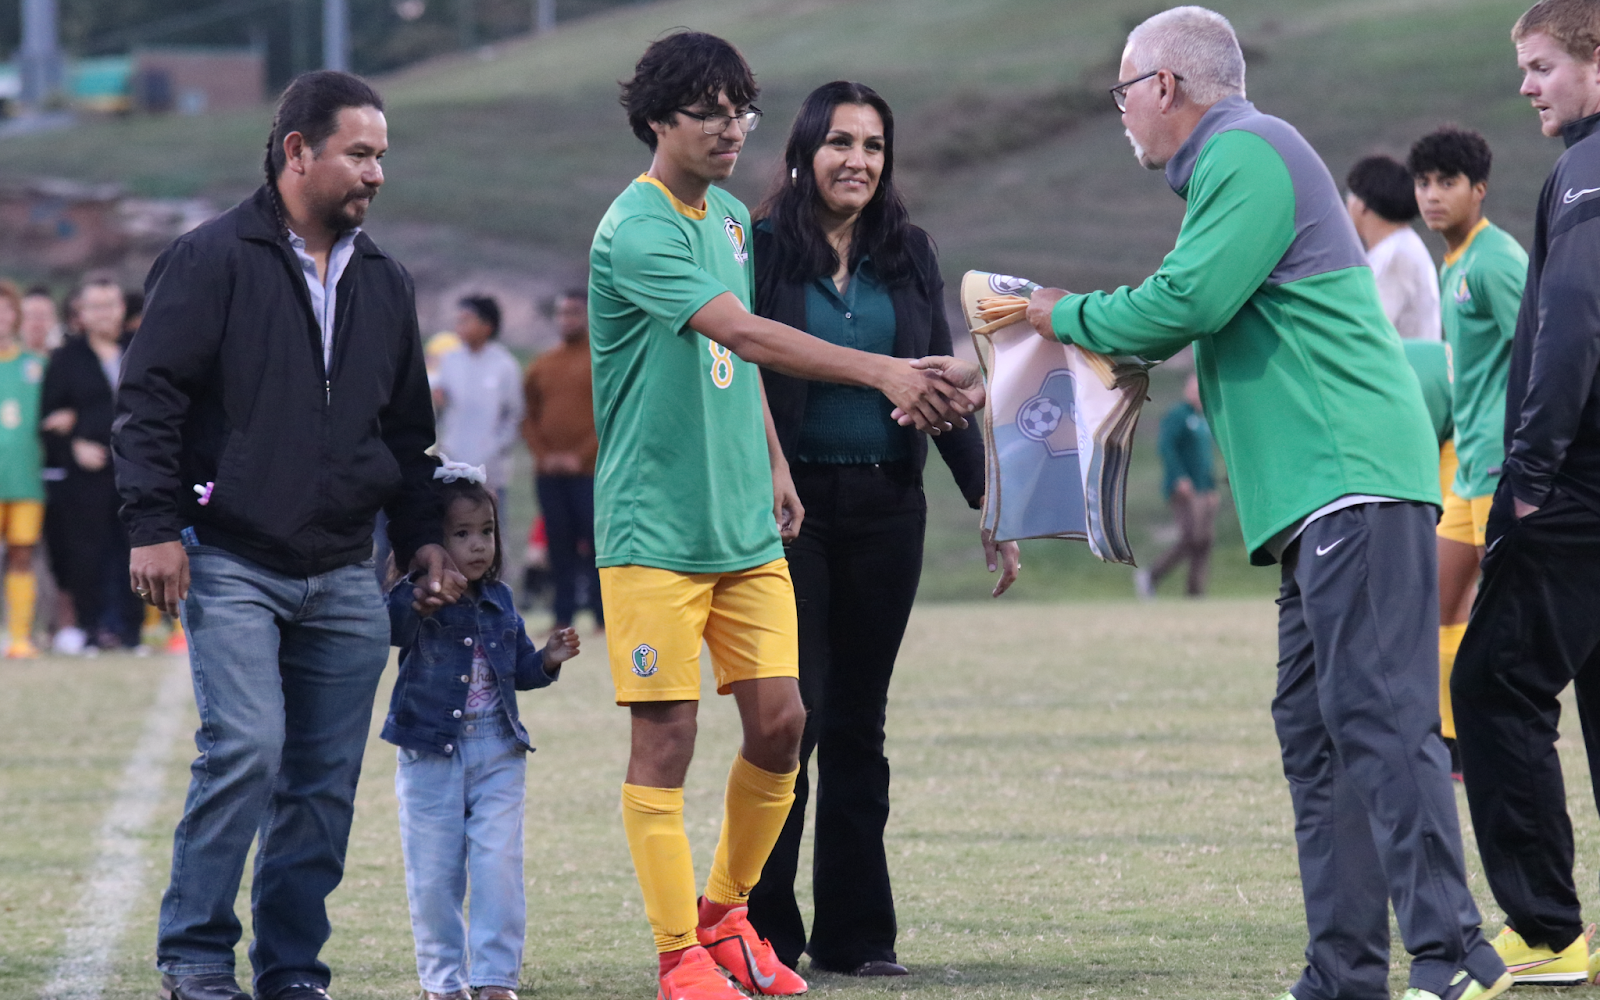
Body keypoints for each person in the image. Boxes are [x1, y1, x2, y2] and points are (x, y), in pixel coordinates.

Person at [1025, 9, 1509, 1000]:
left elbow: (1184, 303)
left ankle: (1457, 954)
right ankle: (1342, 973)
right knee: (1316, 731)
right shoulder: (1233, 166)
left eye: (1124, 91)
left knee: (1378, 716)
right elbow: (1200, 308)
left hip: (1350, 479)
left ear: (1166, 86)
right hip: (1315, 501)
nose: (1122, 113)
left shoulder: (1245, 149)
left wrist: (1057, 314)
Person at [591, 31, 980, 1000]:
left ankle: (726, 918)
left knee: (782, 723)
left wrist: (772, 463)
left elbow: (737, 364)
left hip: (746, 526)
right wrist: (882, 371)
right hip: (656, 530)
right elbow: (742, 330)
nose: (731, 130)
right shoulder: (636, 228)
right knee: (667, 740)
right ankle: (678, 953)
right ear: (657, 120)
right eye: (709, 113)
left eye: (741, 112)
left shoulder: (728, 218)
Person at [115, 70, 462, 1000]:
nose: (376, 172)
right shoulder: (208, 259)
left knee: (323, 783)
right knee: (246, 748)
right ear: (297, 151)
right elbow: (149, 401)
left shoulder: (384, 280)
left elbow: (406, 434)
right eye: (360, 153)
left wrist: (421, 536)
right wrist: (154, 526)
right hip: (229, 555)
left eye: (382, 155)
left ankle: (292, 970)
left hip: (347, 569)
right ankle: (195, 956)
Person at [741, 79, 1015, 979]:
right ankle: (764, 931)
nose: (857, 160)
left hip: (888, 510)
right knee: (796, 717)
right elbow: (738, 369)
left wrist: (990, 501)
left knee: (861, 722)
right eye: (840, 142)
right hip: (789, 513)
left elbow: (935, 384)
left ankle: (858, 935)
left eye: (872, 145)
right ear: (804, 151)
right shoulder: (759, 247)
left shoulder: (909, 249)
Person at [1452, 0, 1600, 986]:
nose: (1525, 84)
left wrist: (1531, 475)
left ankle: (1547, 931)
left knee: (1491, 686)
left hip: (1574, 489)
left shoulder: (1586, 171)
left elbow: (1574, 318)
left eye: (1543, 65)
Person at [384, 464, 580, 1000]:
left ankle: (494, 979)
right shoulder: (415, 596)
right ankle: (443, 983)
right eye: (461, 533)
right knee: (434, 876)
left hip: (499, 750)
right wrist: (420, 591)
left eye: (487, 532)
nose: (477, 545)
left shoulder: (501, 600)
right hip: (430, 753)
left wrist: (548, 658)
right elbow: (391, 627)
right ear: (433, 541)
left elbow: (519, 671)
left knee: (498, 868)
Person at [1408, 126, 1527, 784]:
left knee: (1504, 621)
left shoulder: (1493, 261)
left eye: (1447, 183)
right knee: (1439, 598)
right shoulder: (1453, 263)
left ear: (1479, 189)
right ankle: (1453, 743)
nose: (1433, 195)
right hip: (1467, 462)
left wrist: (1531, 452)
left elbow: (1543, 349)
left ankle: (1504, 744)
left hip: (1501, 466)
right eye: (1424, 183)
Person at [40, 275, 141, 654]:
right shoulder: (66, 358)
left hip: (134, 470)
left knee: (134, 549)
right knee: (88, 553)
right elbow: (48, 420)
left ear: (121, 308)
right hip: (87, 475)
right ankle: (92, 628)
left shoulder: (139, 348)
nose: (104, 314)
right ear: (80, 312)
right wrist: (74, 445)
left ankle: (130, 632)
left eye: (110, 305)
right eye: (95, 306)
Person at [520, 289, 603, 630]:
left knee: (598, 545)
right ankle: (562, 616)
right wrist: (544, 456)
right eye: (561, 313)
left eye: (574, 312)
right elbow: (527, 416)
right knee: (558, 545)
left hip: (590, 473)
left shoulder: (602, 360)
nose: (566, 320)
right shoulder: (542, 364)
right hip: (549, 473)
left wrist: (580, 457)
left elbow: (612, 415)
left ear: (588, 315)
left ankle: (603, 618)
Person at [433, 295, 524, 503]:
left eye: (466, 320)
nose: (459, 325)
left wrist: (495, 447)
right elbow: (441, 405)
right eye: (458, 320)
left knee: (489, 518)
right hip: (452, 459)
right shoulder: (450, 360)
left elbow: (515, 415)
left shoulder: (505, 365)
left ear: (487, 326)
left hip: (489, 466)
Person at [1135, 372, 1217, 599]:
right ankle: (1151, 576)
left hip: (1203, 488)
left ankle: (1195, 591)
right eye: (1194, 390)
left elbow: (1205, 457)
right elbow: (1166, 447)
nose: (1198, 394)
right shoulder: (1178, 415)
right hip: (1183, 489)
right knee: (1190, 537)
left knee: (1204, 540)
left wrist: (1211, 487)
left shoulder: (1202, 418)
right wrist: (1179, 477)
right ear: (1186, 391)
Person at [1345, 154, 1442, 341]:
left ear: (1362, 204)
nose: (1347, 204)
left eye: (1349, 196)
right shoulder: (1396, 247)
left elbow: (1369, 330)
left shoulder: (1398, 256)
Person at [0, 280, 44, 658]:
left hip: (26, 478)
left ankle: (19, 637)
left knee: (21, 555)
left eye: (5, 310)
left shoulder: (36, 365)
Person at [19, 285, 62, 355]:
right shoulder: (6, 357)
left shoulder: (66, 357)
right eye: (31, 316)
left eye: (43, 316)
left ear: (55, 320)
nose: (37, 323)